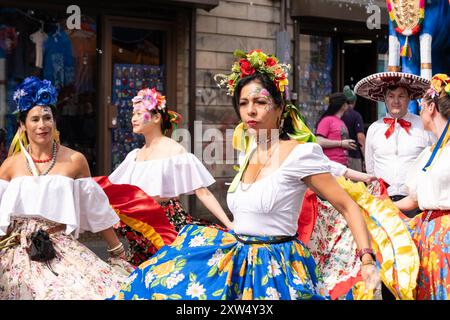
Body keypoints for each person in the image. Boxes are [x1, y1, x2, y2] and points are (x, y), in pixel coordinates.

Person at [112, 49, 379, 300]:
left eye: (260, 102)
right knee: (150, 282)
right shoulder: (248, 150)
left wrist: (366, 260)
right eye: (243, 103)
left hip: (275, 268)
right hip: (236, 261)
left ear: (279, 108)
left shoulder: (301, 154)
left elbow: (348, 207)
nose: (250, 110)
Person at [0, 76, 131, 299]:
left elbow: (95, 210)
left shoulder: (75, 161)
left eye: (47, 118)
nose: (42, 125)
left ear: (55, 122)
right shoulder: (10, 165)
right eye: (34, 119)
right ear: (22, 125)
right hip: (17, 253)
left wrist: (116, 250)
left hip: (59, 248)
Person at [106, 87, 233, 266]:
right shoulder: (133, 156)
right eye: (133, 113)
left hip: (166, 228)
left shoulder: (174, 151)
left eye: (139, 113)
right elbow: (115, 192)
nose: (133, 118)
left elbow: (203, 192)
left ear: (157, 117)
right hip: (138, 234)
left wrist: (229, 224)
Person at [394, 74, 450, 300]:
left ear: (430, 108)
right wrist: (379, 208)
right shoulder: (429, 153)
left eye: (421, 105)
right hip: (426, 234)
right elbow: (414, 199)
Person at [355, 72, 434, 218]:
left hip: (417, 203)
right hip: (383, 202)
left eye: (401, 96)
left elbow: (434, 162)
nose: (396, 101)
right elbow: (370, 169)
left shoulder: (424, 126)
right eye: (391, 96)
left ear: (409, 98)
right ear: (384, 99)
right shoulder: (374, 129)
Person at [316, 92, 358, 166]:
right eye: (347, 103)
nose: (348, 105)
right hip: (330, 165)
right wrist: (341, 143)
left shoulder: (341, 121)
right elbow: (318, 141)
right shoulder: (327, 120)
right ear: (343, 105)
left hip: (343, 164)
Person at [341, 85, 366, 172]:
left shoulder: (337, 115)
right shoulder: (356, 116)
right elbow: (360, 138)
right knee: (356, 184)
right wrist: (365, 157)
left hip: (339, 156)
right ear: (354, 102)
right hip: (353, 156)